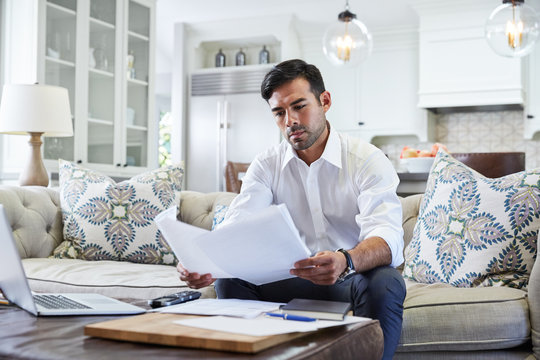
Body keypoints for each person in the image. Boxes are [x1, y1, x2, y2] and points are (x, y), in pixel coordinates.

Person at [178, 59, 406, 359]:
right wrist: (204, 261)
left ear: (325, 101)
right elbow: (238, 225)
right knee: (229, 278)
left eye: (299, 106)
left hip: (349, 278)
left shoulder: (366, 159)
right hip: (287, 278)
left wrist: (345, 260)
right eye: (279, 112)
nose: (290, 121)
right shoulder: (266, 165)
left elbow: (387, 237)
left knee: (387, 282)